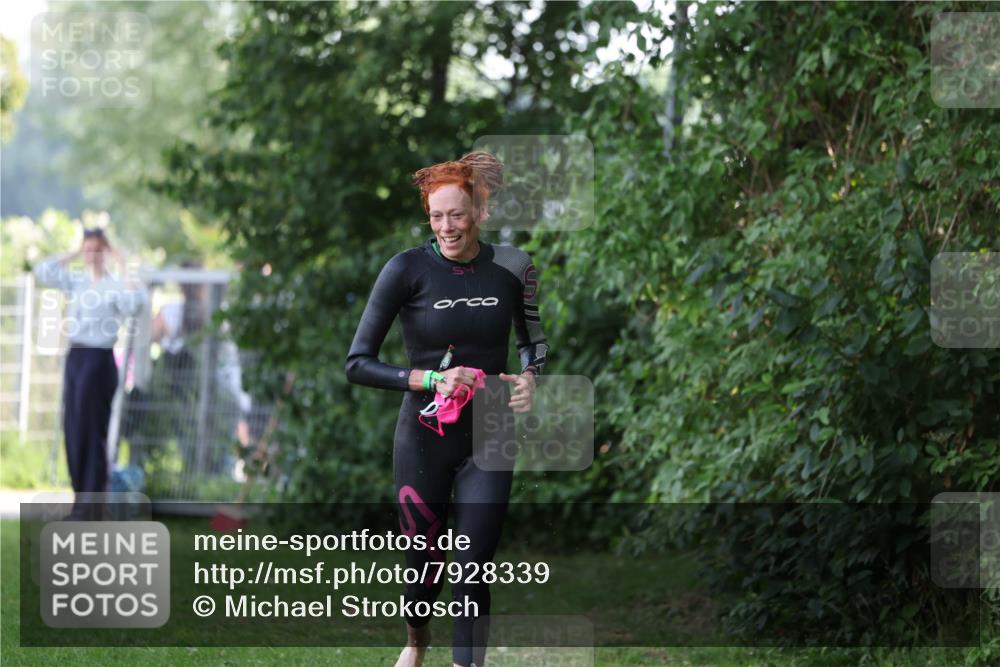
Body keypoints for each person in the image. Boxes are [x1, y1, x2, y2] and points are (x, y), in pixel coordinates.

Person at [345, 151, 548, 667]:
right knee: (423, 566)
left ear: (479, 211)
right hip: (425, 433)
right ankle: (416, 639)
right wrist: (433, 377)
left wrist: (529, 379)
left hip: (491, 429)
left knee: (473, 565)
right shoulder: (406, 269)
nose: (446, 227)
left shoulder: (513, 268)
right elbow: (357, 363)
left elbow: (533, 343)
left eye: (457, 214)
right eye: (436, 216)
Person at [33, 228, 148, 510]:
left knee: (91, 430)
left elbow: (136, 303)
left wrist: (121, 263)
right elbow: (43, 271)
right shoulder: (78, 282)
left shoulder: (114, 286)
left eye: (97, 249)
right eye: (88, 249)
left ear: (105, 252)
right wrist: (73, 252)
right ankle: (79, 499)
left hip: (98, 359)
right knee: (73, 429)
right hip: (76, 357)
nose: (92, 255)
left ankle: (92, 503)